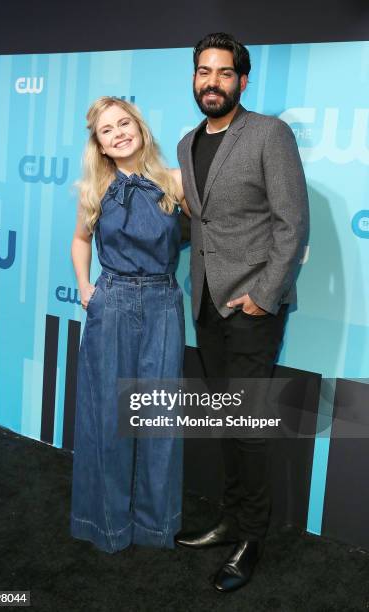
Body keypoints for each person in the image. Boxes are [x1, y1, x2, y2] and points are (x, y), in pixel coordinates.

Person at [175, 33, 309, 592]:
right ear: (194, 78)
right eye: (204, 72)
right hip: (206, 305)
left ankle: (253, 538)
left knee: (249, 428)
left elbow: (292, 223)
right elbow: (197, 225)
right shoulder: (186, 144)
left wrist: (264, 295)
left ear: (242, 81)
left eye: (224, 73)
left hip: (252, 309)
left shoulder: (268, 134)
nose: (212, 82)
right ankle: (232, 519)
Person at [70, 96, 188, 553]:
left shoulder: (175, 182)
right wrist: (85, 288)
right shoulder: (94, 192)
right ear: (99, 145)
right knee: (107, 418)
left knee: (159, 416)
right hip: (112, 301)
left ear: (139, 127)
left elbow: (214, 232)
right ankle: (107, 525)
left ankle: (156, 527)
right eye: (107, 130)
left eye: (124, 123)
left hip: (162, 302)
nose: (118, 133)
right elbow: (80, 241)